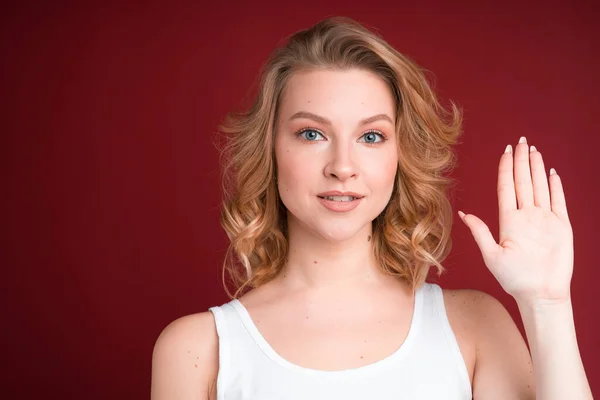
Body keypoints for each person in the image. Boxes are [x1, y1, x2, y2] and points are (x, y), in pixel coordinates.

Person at [151, 16, 592, 399]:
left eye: (371, 136)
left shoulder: (474, 326)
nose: (343, 167)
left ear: (400, 155)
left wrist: (546, 304)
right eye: (311, 134)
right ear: (269, 149)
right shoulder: (197, 349)